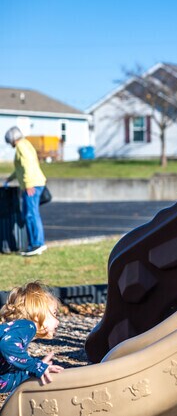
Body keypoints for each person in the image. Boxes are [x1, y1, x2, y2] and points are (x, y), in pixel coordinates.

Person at [0, 281, 64, 393]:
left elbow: (4, 382)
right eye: (54, 313)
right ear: (37, 314)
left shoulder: (17, 334)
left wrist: (31, 372)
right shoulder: (28, 325)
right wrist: (35, 366)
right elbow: (6, 345)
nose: (58, 321)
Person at [4, 127, 48, 256]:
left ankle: (37, 244)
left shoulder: (21, 147)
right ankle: (34, 243)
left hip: (32, 185)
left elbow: (27, 164)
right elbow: (20, 168)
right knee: (30, 214)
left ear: (12, 138)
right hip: (35, 182)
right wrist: (10, 178)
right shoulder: (26, 144)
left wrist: (28, 184)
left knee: (31, 214)